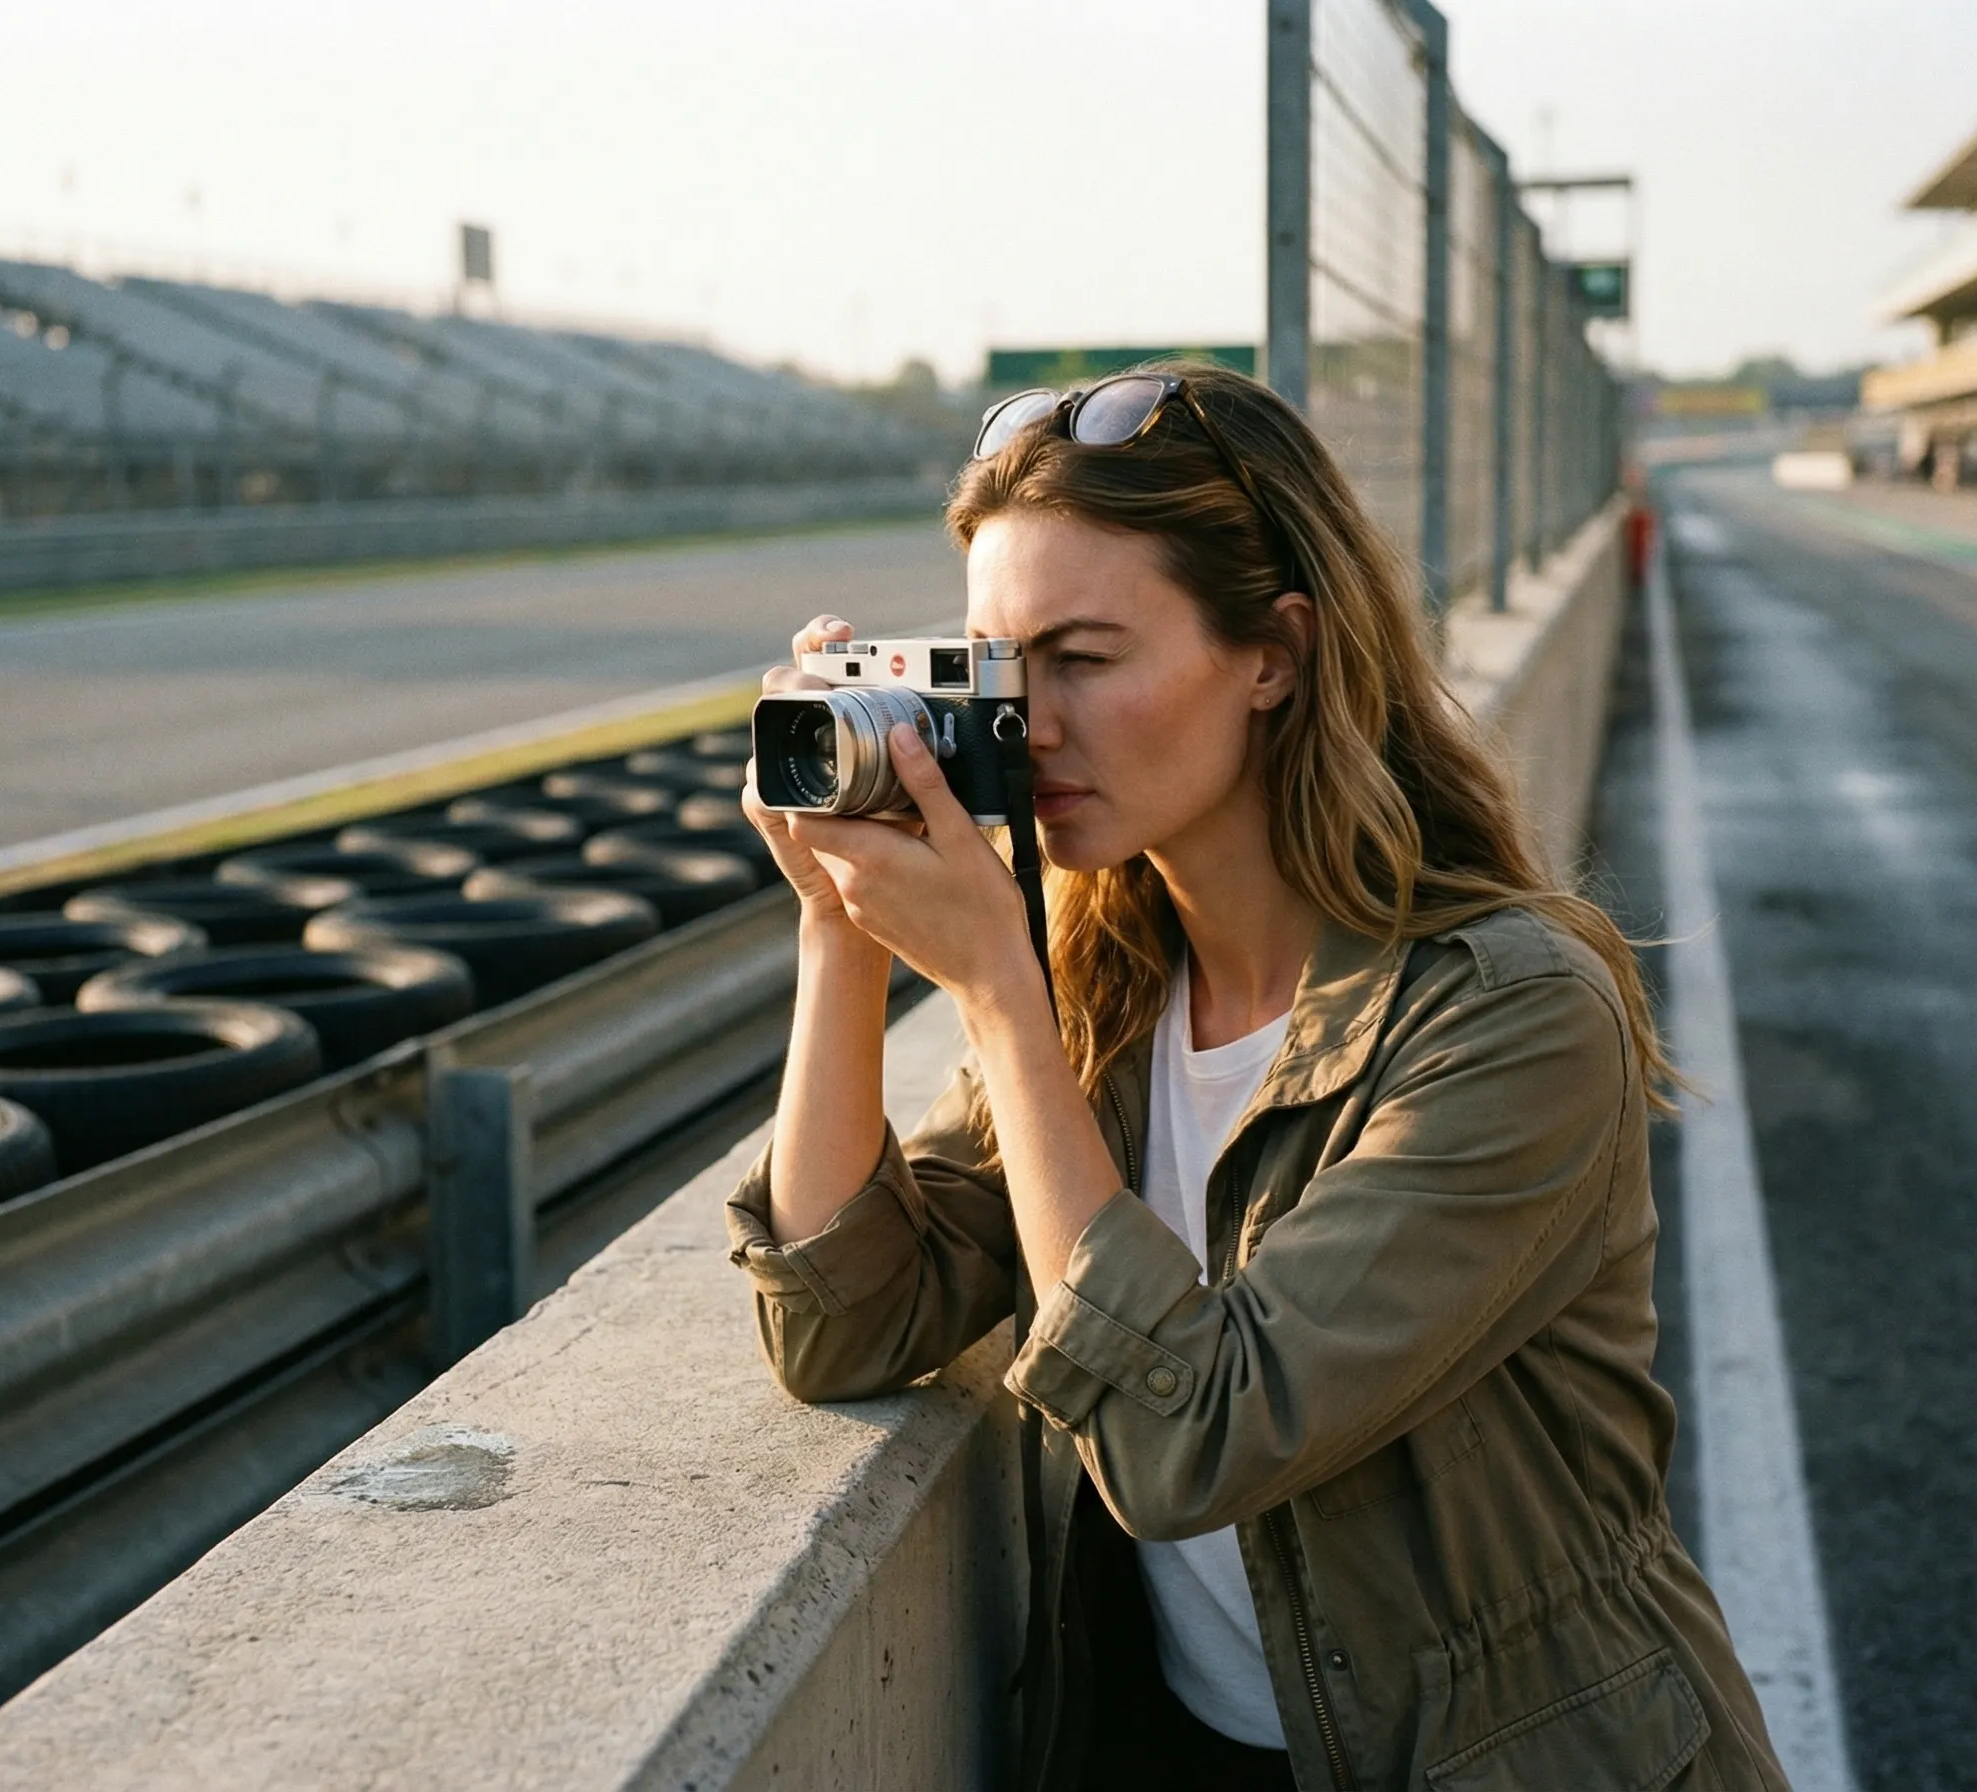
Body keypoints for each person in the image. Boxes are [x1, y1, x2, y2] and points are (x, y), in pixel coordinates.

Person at [726, 364, 1785, 1791]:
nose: (1022, 724)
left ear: (1274, 654)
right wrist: (840, 925)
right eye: (989, 664)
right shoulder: (1112, 980)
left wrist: (992, 992)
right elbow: (846, 1324)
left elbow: (1193, 1440)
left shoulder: (1512, 1019)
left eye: (1083, 659)